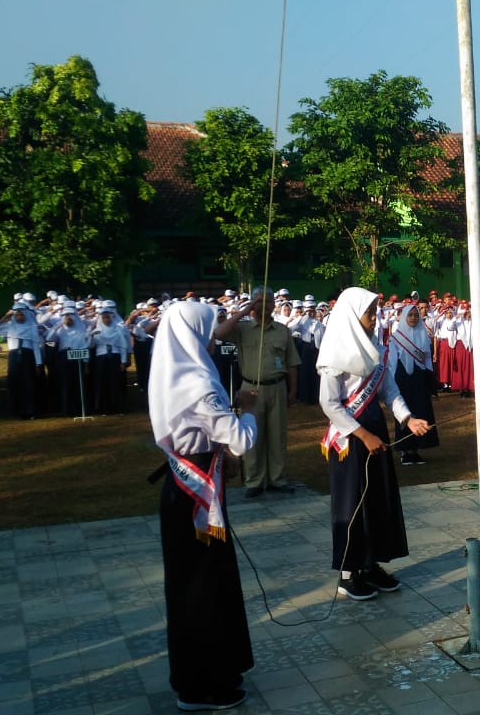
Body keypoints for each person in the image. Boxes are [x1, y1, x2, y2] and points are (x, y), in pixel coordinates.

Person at [149, 301, 257, 712]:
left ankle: (210, 670)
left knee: (195, 583)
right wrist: (248, 412)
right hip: (197, 496)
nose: (216, 338)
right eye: (211, 331)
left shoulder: (171, 372)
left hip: (185, 485)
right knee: (202, 586)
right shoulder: (198, 381)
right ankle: (202, 684)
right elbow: (240, 440)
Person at [316, 287, 430, 601]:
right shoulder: (334, 353)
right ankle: (349, 571)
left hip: (375, 431)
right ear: (353, 315)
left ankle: (372, 563)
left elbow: (388, 390)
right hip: (350, 437)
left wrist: (408, 419)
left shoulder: (375, 348)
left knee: (378, 498)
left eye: (375, 311)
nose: (374, 317)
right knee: (352, 503)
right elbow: (329, 404)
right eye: (369, 312)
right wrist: (363, 436)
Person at [215, 287, 300, 497]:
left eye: (268, 301)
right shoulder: (243, 328)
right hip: (250, 388)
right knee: (251, 435)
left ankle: (277, 479)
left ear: (274, 305)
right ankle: (254, 481)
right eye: (259, 301)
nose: (264, 305)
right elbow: (219, 333)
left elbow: (292, 363)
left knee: (277, 435)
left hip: (277, 387)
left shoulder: (282, 330)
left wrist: (293, 391)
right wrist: (244, 311)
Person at [388, 303, 439, 466]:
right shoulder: (396, 337)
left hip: (419, 379)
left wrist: (430, 381)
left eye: (416, 315)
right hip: (402, 379)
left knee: (420, 411)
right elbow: (392, 362)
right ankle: (405, 450)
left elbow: (427, 360)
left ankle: (416, 449)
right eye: (410, 315)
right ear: (404, 317)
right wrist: (393, 383)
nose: (413, 318)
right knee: (406, 412)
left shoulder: (423, 335)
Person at [0, 301, 44, 419]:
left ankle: (30, 411)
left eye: (21, 314)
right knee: (14, 383)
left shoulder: (31, 327)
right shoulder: (9, 326)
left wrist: (39, 364)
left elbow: (35, 347)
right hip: (13, 357)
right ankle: (16, 411)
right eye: (17, 315)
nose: (19, 317)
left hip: (27, 357)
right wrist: (5, 317)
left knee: (28, 384)